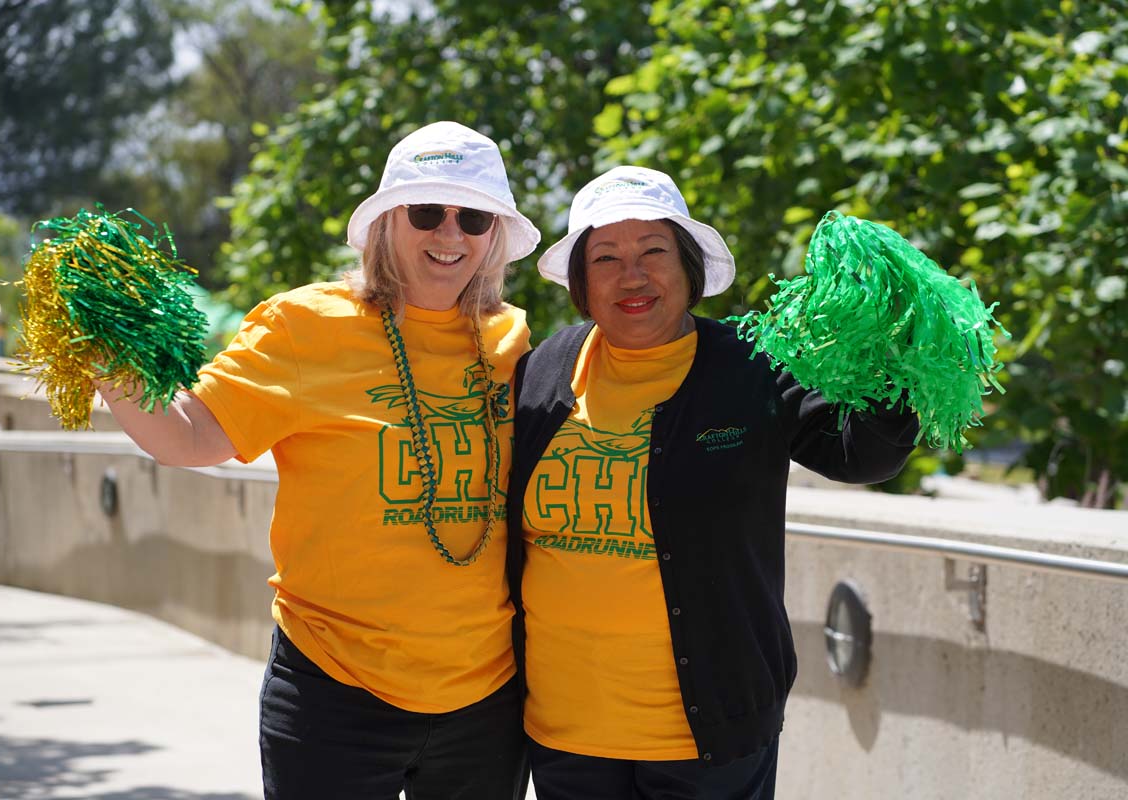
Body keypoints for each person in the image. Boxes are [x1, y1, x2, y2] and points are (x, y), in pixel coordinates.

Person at [99, 121, 541, 799]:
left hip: (486, 701)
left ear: (495, 237)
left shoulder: (511, 339)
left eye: (473, 217)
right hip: (333, 693)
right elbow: (187, 435)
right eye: (427, 212)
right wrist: (104, 347)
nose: (450, 234)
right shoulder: (302, 326)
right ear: (387, 223)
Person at [506, 166, 919, 799]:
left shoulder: (752, 367)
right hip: (565, 738)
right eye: (606, 257)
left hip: (710, 742)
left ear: (689, 266)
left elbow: (861, 455)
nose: (632, 276)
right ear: (582, 281)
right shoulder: (542, 369)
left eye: (654, 251)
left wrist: (897, 351)